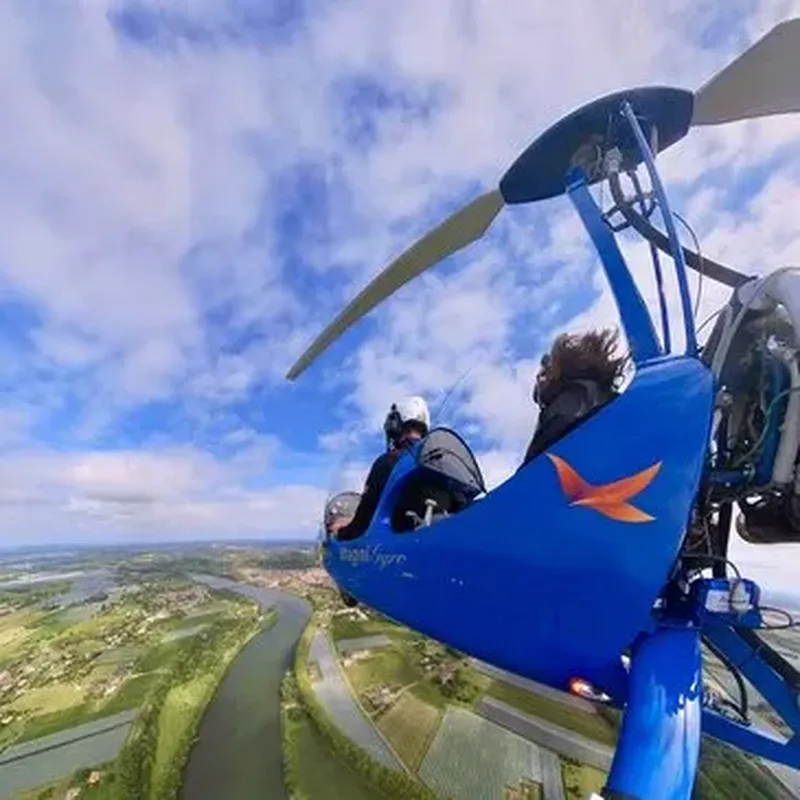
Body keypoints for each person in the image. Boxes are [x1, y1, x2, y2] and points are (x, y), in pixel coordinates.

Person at [520, 327, 629, 467]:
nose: (540, 378)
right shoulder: (614, 401)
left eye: (544, 373)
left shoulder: (571, 400)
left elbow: (538, 468)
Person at [328, 396, 431, 542]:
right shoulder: (439, 462)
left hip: (395, 549)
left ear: (395, 424)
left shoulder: (389, 462)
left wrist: (343, 531)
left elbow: (365, 520)